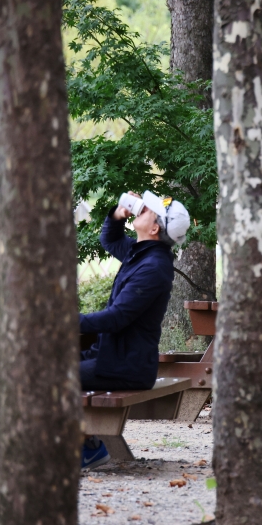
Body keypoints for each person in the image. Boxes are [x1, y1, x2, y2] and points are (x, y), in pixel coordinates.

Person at [79, 192, 189, 469]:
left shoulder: (153, 268)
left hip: (125, 367)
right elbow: (111, 240)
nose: (141, 208)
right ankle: (84, 444)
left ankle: (85, 445)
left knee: (47, 376)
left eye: (148, 210)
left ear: (154, 229)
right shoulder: (141, 252)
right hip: (110, 357)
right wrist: (117, 215)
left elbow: (116, 319)